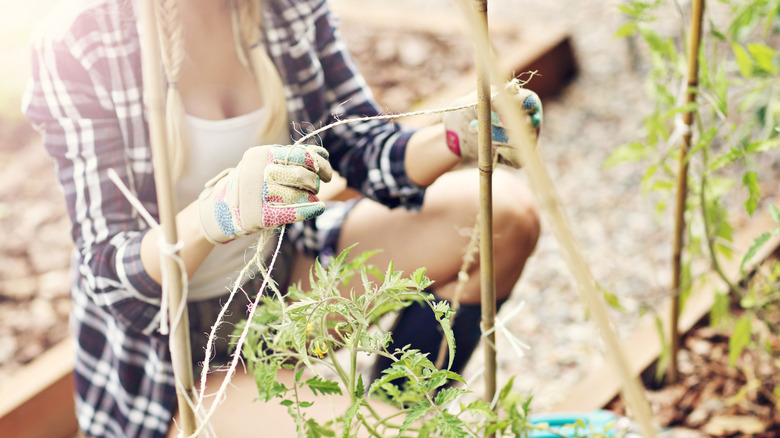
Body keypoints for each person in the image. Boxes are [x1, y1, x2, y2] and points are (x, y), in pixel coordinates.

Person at [23, 0, 541, 436]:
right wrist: (217, 213)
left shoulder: (286, 7)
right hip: (175, 355)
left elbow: (358, 145)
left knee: (500, 217)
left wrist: (453, 138)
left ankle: (403, 407)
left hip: (275, 292)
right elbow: (108, 270)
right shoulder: (81, 41)